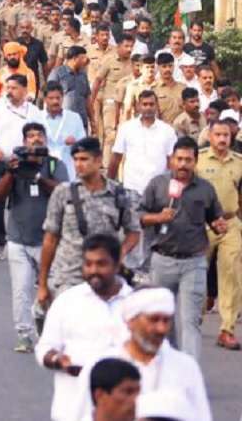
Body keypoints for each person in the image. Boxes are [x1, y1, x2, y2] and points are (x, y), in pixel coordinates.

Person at [137, 136, 227, 361]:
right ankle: (167, 371)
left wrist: (218, 225)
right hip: (162, 261)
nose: (183, 164)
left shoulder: (205, 188)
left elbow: (215, 218)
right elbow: (137, 217)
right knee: (162, 321)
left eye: (188, 160)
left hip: (194, 263)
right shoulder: (157, 184)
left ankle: (189, 378)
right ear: (171, 161)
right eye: (179, 159)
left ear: (195, 162)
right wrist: (158, 217)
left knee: (190, 322)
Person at [71, 288, 211, 421]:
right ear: (130, 321)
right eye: (154, 320)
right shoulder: (100, 365)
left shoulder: (186, 366)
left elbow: (201, 416)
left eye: (166, 320)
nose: (161, 329)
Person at [35, 234, 134, 421]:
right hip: (72, 411)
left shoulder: (136, 305)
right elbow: (44, 348)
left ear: (117, 263)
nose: (93, 270)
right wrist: (57, 359)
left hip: (121, 413)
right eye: (88, 264)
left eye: (101, 264)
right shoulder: (67, 301)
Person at [0, 121, 68, 353]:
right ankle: (24, 334)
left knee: (51, 290)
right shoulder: (16, 164)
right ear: (24, 142)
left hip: (48, 241)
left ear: (45, 140)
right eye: (31, 136)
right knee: (21, 290)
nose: (35, 139)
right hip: (18, 239)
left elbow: (63, 193)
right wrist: (12, 174)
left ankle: (48, 330)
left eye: (39, 136)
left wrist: (38, 178)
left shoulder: (55, 165)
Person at [38, 138, 140, 302]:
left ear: (99, 161)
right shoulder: (63, 193)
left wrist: (120, 253)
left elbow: (134, 231)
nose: (78, 164)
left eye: (84, 159)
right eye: (76, 160)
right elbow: (50, 239)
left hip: (104, 277)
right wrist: (42, 284)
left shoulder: (118, 194)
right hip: (69, 276)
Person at [110, 90, 178, 275]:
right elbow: (116, 157)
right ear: (138, 106)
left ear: (157, 106)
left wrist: (173, 190)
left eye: (151, 104)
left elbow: (172, 162)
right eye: (144, 104)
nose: (148, 108)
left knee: (154, 231)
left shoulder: (167, 131)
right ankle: (132, 270)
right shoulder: (127, 128)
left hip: (158, 193)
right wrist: (110, 184)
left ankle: (150, 271)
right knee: (133, 229)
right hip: (132, 188)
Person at [0, 74, 45, 261]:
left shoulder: (34, 112)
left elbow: (40, 136)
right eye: (7, 87)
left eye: (14, 88)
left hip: (25, 164)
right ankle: (0, 243)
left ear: (25, 90)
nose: (9, 91)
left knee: (24, 203)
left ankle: (24, 244)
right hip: (0, 162)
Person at [197, 119, 242, 351]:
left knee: (231, 275)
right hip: (203, 223)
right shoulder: (199, 159)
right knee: (197, 272)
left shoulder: (239, 163)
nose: (223, 139)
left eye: (226, 135)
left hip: (230, 222)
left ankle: (227, 329)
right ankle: (194, 320)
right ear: (210, 136)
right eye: (218, 135)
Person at [42, 81, 87, 179]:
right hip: (43, 169)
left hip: (67, 169)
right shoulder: (37, 117)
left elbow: (84, 145)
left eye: (58, 98)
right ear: (45, 99)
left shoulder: (74, 118)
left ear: (63, 98)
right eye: (51, 98)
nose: (55, 101)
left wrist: (75, 143)